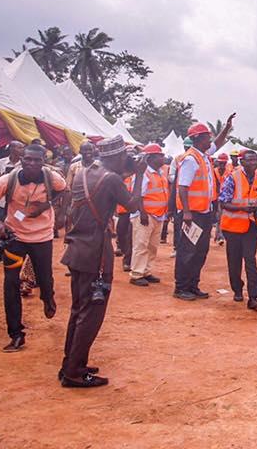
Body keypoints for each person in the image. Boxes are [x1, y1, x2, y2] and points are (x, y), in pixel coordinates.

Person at [60, 135, 145, 387]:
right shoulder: (111, 179)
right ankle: (74, 372)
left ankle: (70, 363)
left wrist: (130, 170)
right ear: (118, 157)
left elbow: (109, 187)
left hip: (77, 249)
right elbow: (132, 205)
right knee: (91, 315)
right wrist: (140, 174)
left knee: (78, 310)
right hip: (95, 253)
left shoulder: (84, 172)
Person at [0, 144, 67, 351]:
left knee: (44, 278)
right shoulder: (8, 180)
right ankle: (16, 334)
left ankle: (47, 297)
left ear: (43, 162)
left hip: (42, 237)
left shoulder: (52, 178)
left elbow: (63, 191)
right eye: (28, 159)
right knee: (11, 284)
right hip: (15, 238)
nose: (31, 163)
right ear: (21, 160)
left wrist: (48, 204)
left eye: (37, 160)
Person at [174, 116, 234, 301]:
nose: (210, 140)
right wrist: (186, 212)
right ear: (198, 139)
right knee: (187, 251)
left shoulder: (204, 156)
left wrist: (227, 128)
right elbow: (183, 187)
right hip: (192, 215)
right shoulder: (191, 159)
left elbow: (218, 143)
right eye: (207, 137)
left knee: (200, 251)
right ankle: (181, 287)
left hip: (204, 213)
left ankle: (193, 285)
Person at [219, 150, 257, 309]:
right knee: (234, 261)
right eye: (250, 160)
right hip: (232, 227)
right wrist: (243, 208)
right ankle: (237, 289)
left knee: (250, 260)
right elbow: (223, 202)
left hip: (251, 226)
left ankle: (254, 296)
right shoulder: (232, 178)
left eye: (255, 160)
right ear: (242, 162)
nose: (254, 163)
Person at [129, 144, 168, 287]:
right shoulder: (143, 174)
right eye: (160, 155)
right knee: (141, 245)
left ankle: (146, 271)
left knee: (152, 246)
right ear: (150, 158)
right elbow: (138, 195)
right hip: (145, 215)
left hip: (158, 215)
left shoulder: (160, 173)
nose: (163, 158)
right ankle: (136, 273)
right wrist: (143, 213)